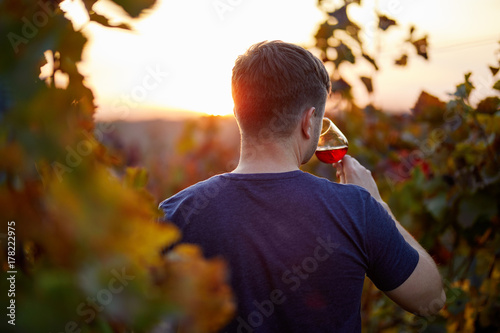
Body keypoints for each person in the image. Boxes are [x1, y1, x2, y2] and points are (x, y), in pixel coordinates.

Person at [159, 40, 445, 332]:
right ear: (309, 121)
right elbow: (431, 300)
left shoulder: (174, 214)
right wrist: (380, 205)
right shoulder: (357, 209)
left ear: (238, 114)